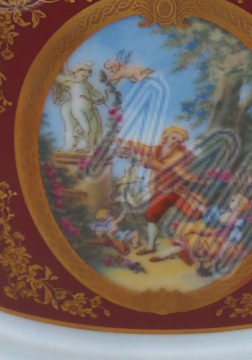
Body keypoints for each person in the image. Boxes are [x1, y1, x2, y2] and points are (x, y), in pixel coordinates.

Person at [115, 126, 205, 254]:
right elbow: (142, 147)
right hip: (161, 190)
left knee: (195, 212)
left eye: (178, 141)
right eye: (173, 138)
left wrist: (143, 159)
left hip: (177, 190)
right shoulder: (156, 150)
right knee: (151, 215)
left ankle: (200, 241)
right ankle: (151, 246)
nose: (174, 142)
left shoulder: (180, 154)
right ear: (166, 136)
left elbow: (163, 167)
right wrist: (126, 144)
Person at [50, 61, 107, 154]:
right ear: (75, 74)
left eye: (86, 77)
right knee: (84, 129)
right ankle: (76, 145)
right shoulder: (72, 83)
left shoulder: (86, 84)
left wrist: (100, 96)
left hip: (88, 110)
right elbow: (58, 78)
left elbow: (94, 91)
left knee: (92, 129)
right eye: (83, 76)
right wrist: (72, 79)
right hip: (77, 110)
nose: (84, 78)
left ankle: (89, 147)